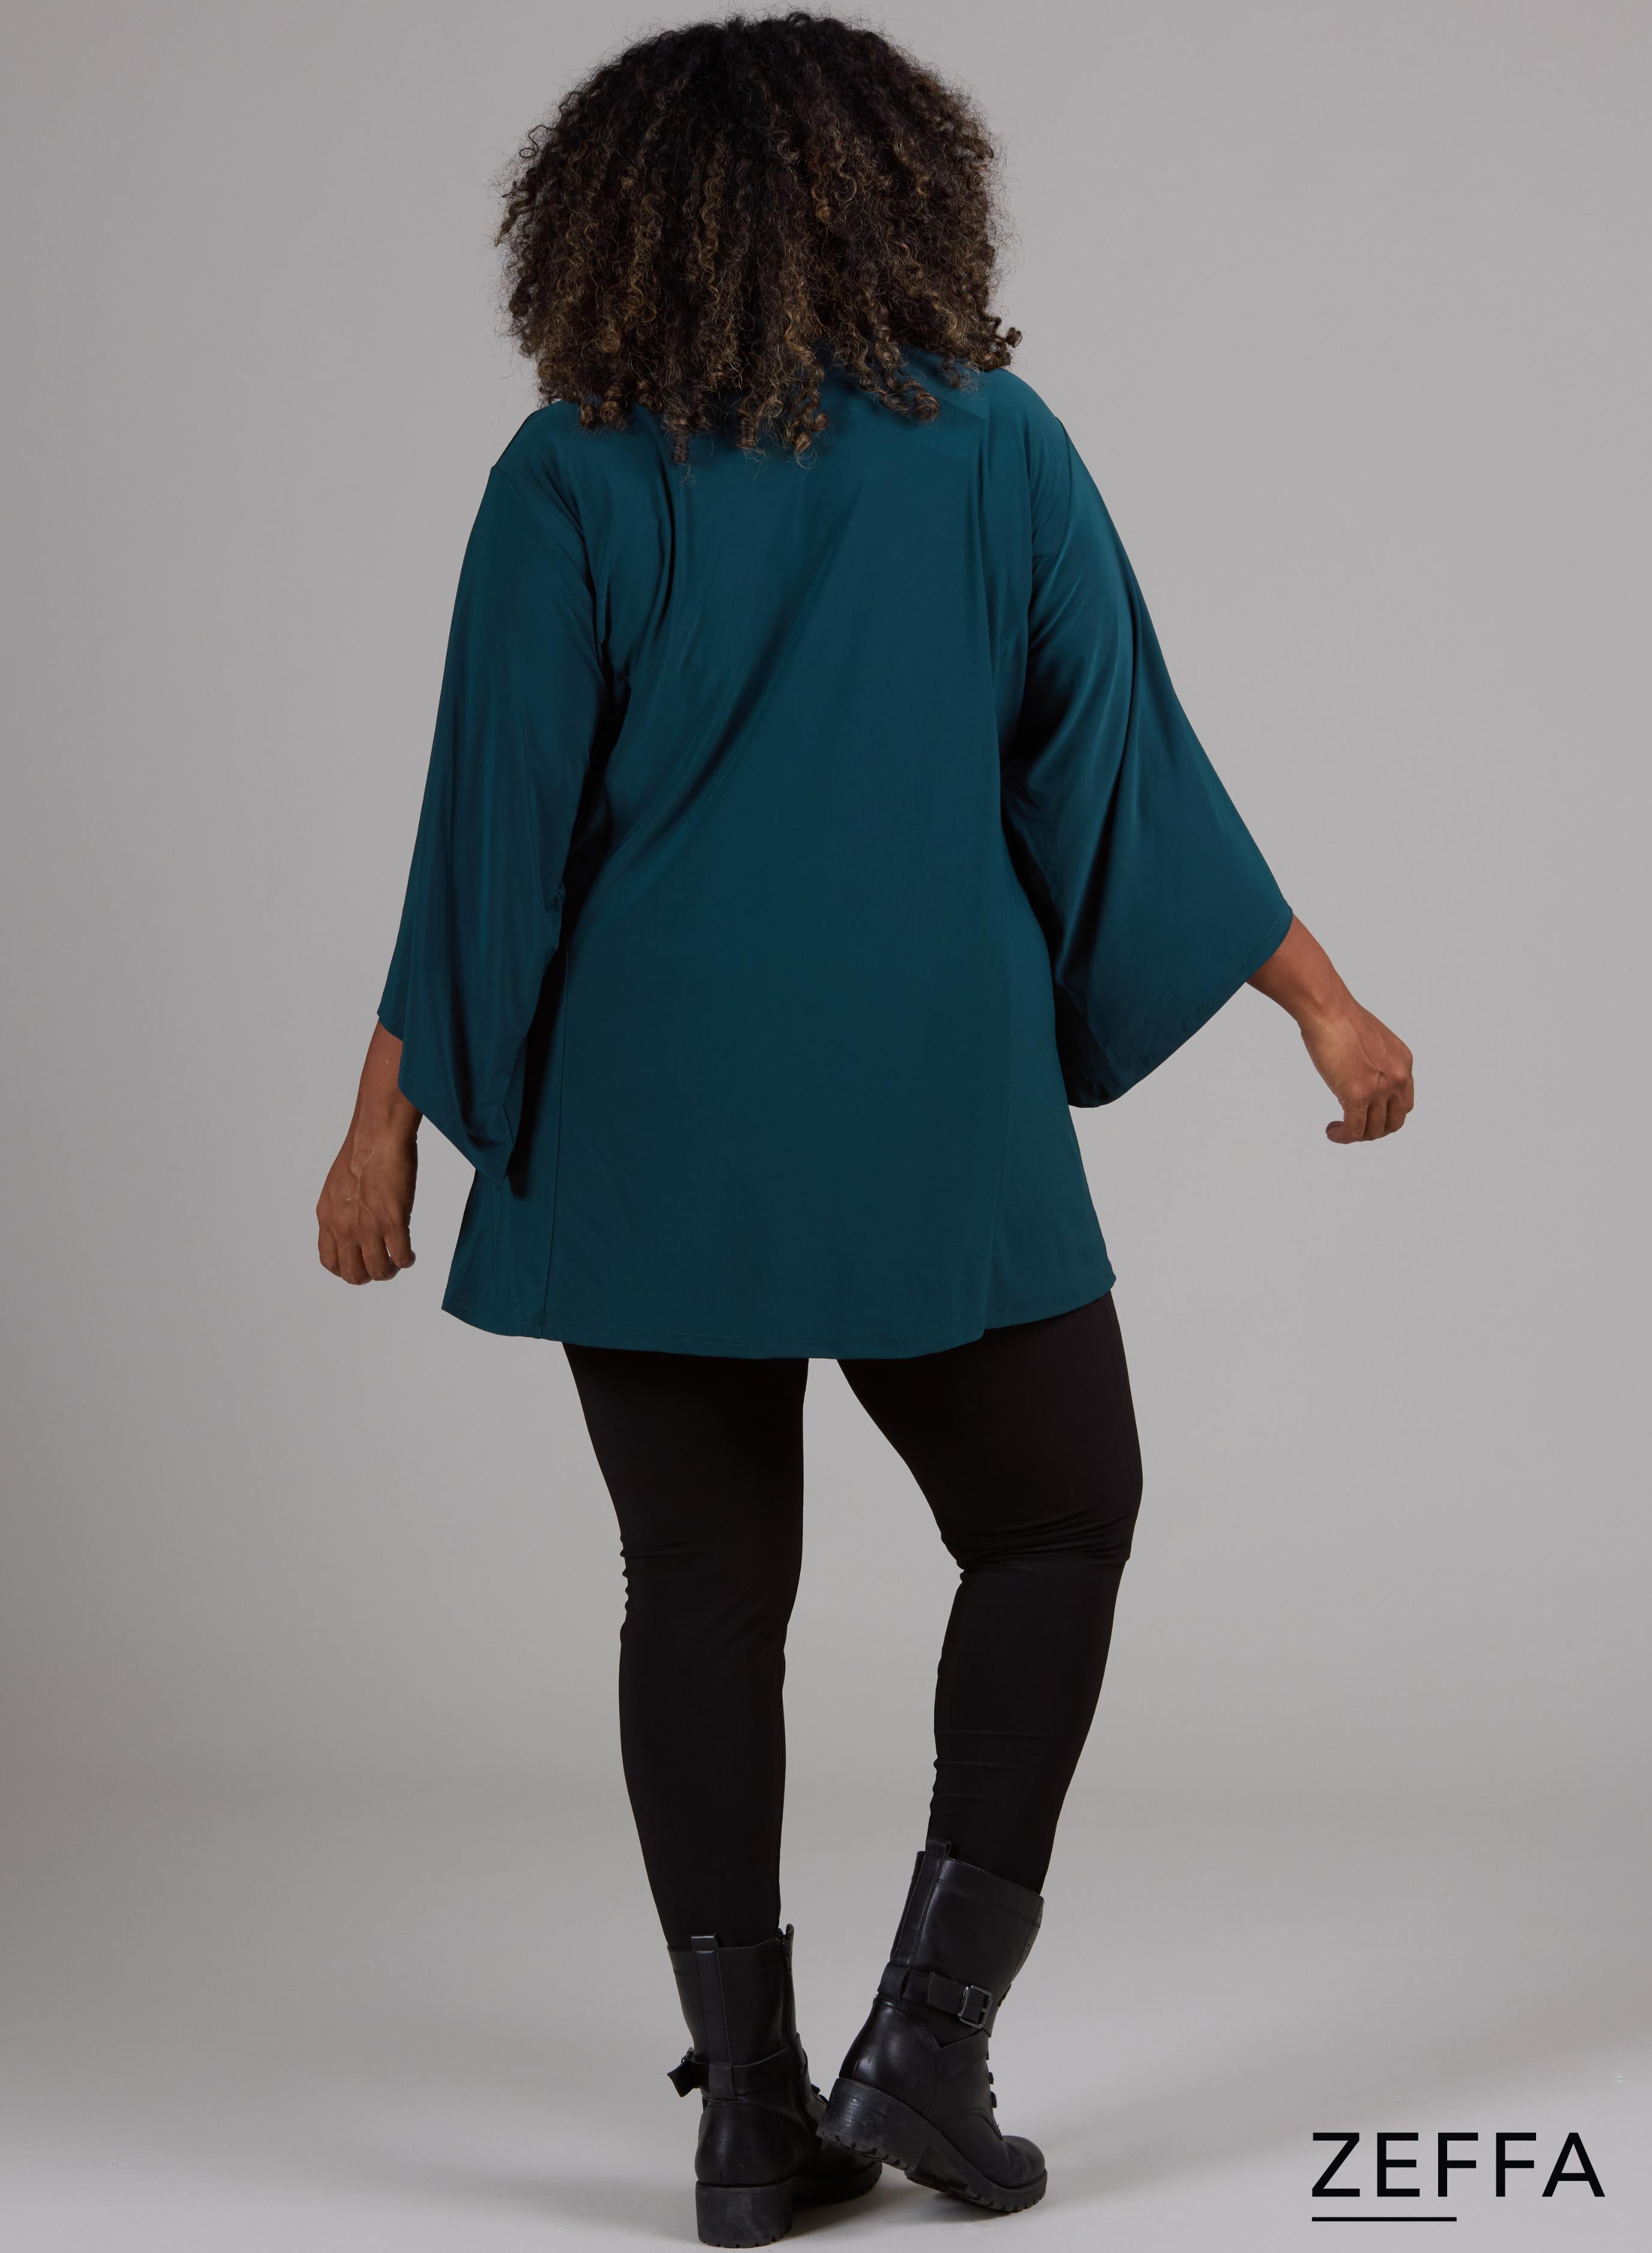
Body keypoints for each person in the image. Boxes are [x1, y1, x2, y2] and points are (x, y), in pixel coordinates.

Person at [315, 13, 1414, 2246]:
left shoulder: (570, 470)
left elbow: (487, 838)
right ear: (900, 197)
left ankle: (749, 2122)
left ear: (619, 223)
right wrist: (1321, 999)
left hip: (649, 1112)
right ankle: (931, 2038)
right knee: (1058, 1515)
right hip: (929, 1097)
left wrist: (384, 1127)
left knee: (703, 1591)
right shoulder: (994, 449)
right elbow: (1120, 770)